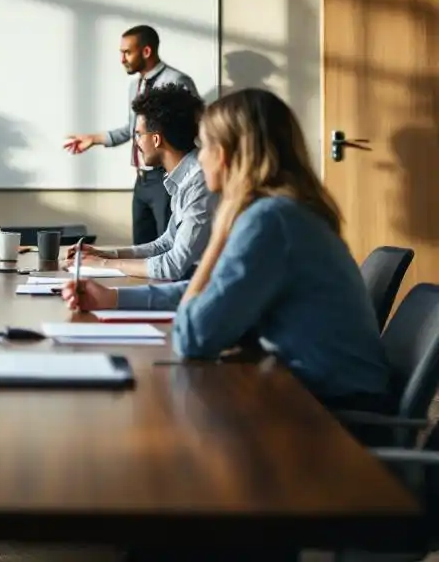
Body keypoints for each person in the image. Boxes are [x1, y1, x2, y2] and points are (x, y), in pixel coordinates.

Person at [61, 88, 393, 413]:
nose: (199, 156)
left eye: (204, 145)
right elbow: (215, 291)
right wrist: (113, 298)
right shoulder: (284, 211)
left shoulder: (270, 220)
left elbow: (193, 338)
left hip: (331, 413)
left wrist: (220, 233)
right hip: (320, 393)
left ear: (223, 154)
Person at [63, 25, 198, 246]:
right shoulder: (135, 86)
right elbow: (132, 129)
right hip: (142, 181)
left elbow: (191, 127)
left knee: (169, 248)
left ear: (146, 51)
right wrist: (93, 139)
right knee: (142, 248)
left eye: (127, 52)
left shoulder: (177, 81)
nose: (122, 59)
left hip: (167, 177)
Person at [66, 83, 215, 280]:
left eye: (138, 134)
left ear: (156, 140)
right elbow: (167, 243)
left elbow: (174, 265)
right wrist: (106, 255)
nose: (136, 142)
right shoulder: (184, 176)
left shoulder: (199, 181)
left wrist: (103, 264)